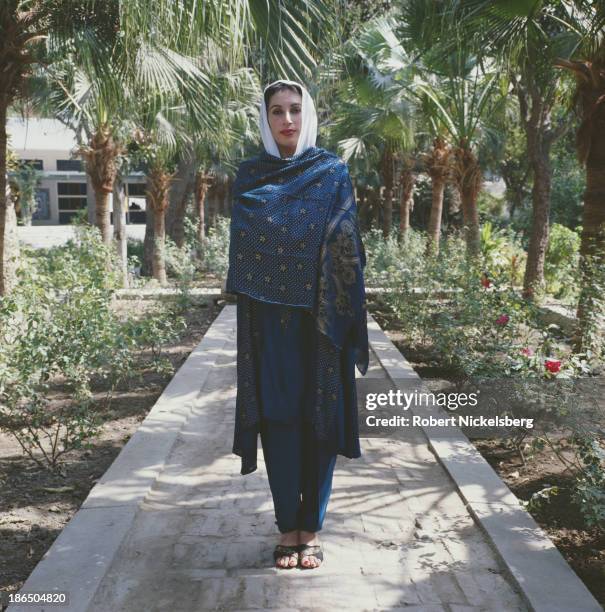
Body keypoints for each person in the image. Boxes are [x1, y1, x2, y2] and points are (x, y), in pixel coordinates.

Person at [226, 79, 369, 570]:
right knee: (279, 420)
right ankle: (288, 525)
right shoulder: (250, 175)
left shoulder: (331, 171)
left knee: (320, 420)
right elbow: (246, 249)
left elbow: (345, 239)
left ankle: (313, 527)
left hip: (323, 319)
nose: (286, 120)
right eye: (276, 112)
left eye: (293, 110)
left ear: (307, 115)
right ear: (264, 120)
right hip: (270, 323)